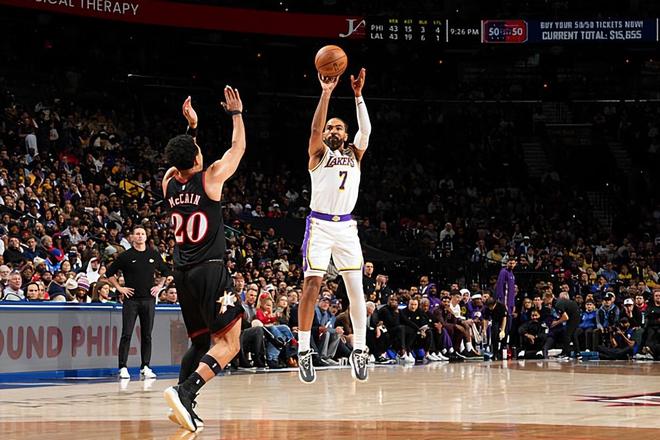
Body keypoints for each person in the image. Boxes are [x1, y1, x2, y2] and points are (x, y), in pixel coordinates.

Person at [161, 89, 245, 433]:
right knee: (230, 343)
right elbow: (237, 149)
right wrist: (237, 114)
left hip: (182, 273)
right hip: (209, 269)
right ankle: (186, 392)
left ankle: (182, 404)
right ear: (196, 157)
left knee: (199, 342)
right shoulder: (210, 178)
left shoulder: (168, 182)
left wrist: (191, 128)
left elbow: (182, 159)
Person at [297, 67, 372, 384]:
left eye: (338, 127)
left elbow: (366, 130)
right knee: (312, 285)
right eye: (330, 127)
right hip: (320, 225)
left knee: (356, 290)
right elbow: (315, 128)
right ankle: (303, 350)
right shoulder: (318, 154)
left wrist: (358, 96)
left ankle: (360, 350)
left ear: (345, 133)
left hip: (347, 228)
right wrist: (326, 93)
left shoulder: (355, 154)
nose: (332, 130)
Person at [107, 226, 173, 380]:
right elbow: (110, 273)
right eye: (137, 234)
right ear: (132, 237)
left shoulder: (153, 254)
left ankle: (145, 366)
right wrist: (119, 288)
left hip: (149, 300)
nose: (140, 236)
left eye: (142, 233)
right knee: (127, 334)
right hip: (131, 301)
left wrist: (160, 286)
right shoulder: (126, 256)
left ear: (146, 236)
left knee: (147, 335)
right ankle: (123, 367)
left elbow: (166, 271)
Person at [551, 291, 581, 358]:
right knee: (573, 335)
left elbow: (565, 317)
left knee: (566, 335)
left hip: (573, 318)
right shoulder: (570, 302)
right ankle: (577, 353)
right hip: (576, 318)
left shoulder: (559, 303)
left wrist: (556, 323)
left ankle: (567, 354)